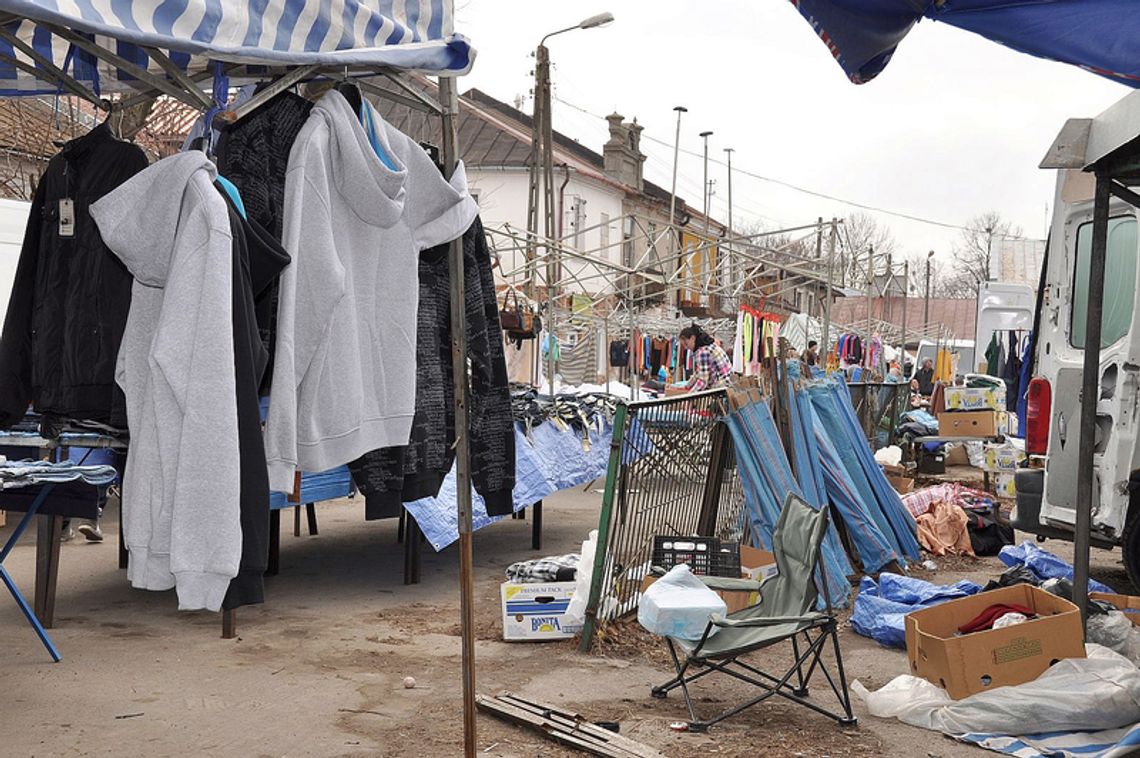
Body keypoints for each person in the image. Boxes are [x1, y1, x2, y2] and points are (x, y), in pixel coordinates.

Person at [667, 324, 732, 395]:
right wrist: (687, 386)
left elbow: (703, 381)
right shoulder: (708, 346)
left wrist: (689, 396)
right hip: (727, 384)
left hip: (721, 387)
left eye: (686, 344)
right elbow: (699, 372)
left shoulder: (702, 352)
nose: (686, 348)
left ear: (692, 338)